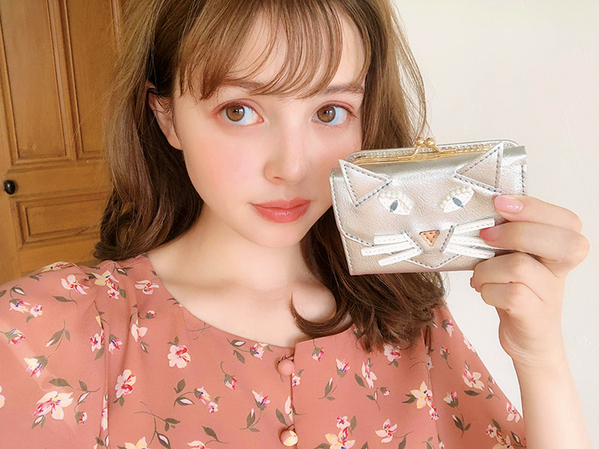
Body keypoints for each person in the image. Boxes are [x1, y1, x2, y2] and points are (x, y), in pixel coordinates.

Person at [0, 0, 591, 447]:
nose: (293, 166)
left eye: (330, 111)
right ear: (168, 117)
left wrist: (539, 355)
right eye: (239, 110)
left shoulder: (404, 313)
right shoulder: (47, 332)